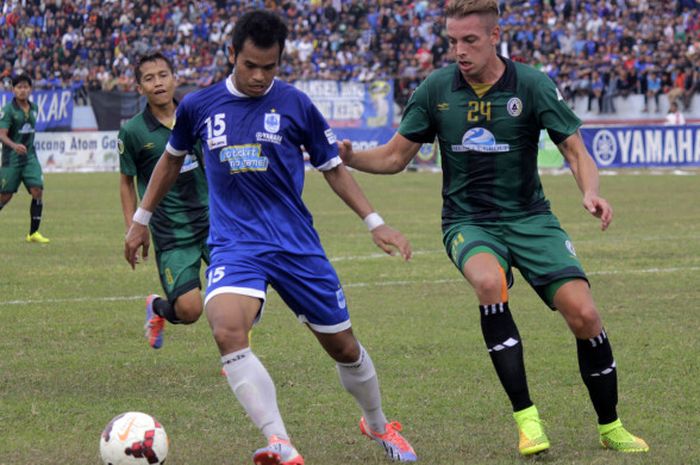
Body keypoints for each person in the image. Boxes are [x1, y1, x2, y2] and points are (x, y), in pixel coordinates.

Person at [338, 0, 649, 457]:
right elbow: (394, 157)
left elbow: (576, 152)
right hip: (468, 221)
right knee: (488, 282)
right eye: (452, 41)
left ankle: (611, 425)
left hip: (531, 219)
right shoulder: (436, 89)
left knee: (585, 315)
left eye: (470, 40)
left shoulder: (533, 84)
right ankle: (527, 420)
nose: (459, 51)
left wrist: (591, 191)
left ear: (495, 36)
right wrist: (352, 158)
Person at [125, 10, 417, 465]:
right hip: (236, 244)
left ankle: (378, 425)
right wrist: (140, 218)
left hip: (295, 245)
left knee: (344, 347)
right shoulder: (199, 107)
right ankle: (279, 441)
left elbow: (332, 168)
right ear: (232, 56)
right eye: (250, 66)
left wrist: (375, 222)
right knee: (225, 328)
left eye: (270, 67)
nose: (260, 76)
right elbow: (169, 161)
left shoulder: (296, 104)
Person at [118, 52, 209, 349]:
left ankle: (236, 356)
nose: (157, 83)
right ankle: (157, 308)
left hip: (214, 221)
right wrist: (134, 226)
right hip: (172, 232)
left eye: (163, 75)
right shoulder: (133, 132)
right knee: (190, 310)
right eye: (149, 78)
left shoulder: (196, 117)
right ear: (139, 87)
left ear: (174, 78)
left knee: (240, 290)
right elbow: (126, 182)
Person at [0, 74, 50, 243]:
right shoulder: (8, 110)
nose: (22, 90)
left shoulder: (34, 108)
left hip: (30, 158)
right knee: (4, 196)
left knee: (38, 190)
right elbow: (2, 135)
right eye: (19, 87)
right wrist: (14, 145)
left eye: (25, 87)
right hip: (11, 160)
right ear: (13, 90)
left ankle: (33, 233)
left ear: (30, 89)